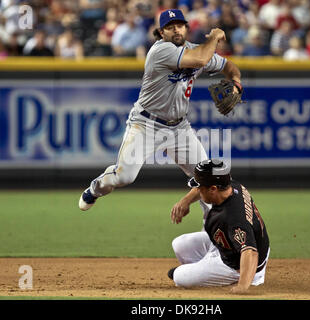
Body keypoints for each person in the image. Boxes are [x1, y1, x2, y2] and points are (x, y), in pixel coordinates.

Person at [78, 9, 242, 211]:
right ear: (161, 32)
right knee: (124, 176)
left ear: (186, 28)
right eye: (170, 27)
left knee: (207, 178)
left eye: (179, 26)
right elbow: (200, 60)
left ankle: (213, 234)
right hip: (146, 124)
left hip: (179, 127)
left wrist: (236, 83)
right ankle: (96, 187)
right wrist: (215, 37)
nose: (176, 30)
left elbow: (229, 66)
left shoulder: (197, 49)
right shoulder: (160, 50)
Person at [168, 159, 270, 294]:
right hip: (227, 244)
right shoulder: (230, 186)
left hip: (237, 264)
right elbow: (204, 188)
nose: (197, 189)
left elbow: (250, 251)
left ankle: (240, 277)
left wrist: (243, 286)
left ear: (213, 189)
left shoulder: (234, 217)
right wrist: (185, 201)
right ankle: (206, 269)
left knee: (179, 276)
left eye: (200, 187)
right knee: (180, 244)